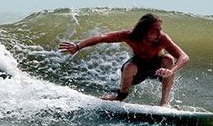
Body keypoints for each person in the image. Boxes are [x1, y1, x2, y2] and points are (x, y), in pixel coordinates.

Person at [59, 13, 190, 107]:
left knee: (168, 58)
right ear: (145, 30)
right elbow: (102, 37)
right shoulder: (130, 36)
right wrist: (77, 46)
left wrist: (171, 71)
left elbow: (184, 56)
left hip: (157, 67)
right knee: (129, 67)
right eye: (155, 30)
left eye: (160, 30)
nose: (159, 33)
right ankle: (120, 96)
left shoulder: (162, 39)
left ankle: (164, 103)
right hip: (138, 67)